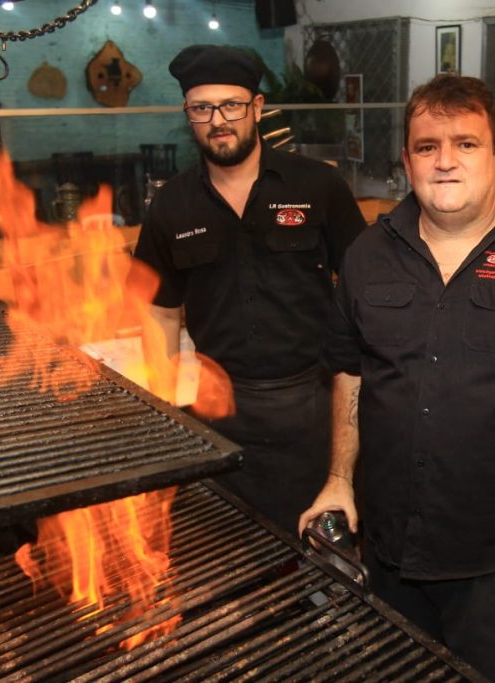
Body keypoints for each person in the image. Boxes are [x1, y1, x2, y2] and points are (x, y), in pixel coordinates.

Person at [299, 74, 495, 682]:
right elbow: (350, 373)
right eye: (426, 146)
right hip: (389, 546)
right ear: (407, 161)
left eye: (465, 144)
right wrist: (339, 479)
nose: (444, 162)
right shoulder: (366, 255)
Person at [133, 44, 366, 534]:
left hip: (313, 405)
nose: (218, 120)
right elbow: (159, 313)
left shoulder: (318, 186)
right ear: (188, 115)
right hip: (218, 409)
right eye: (202, 108)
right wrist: (165, 411)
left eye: (231, 105)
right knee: (236, 547)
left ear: (257, 107)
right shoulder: (170, 205)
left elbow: (363, 287)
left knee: (325, 555)